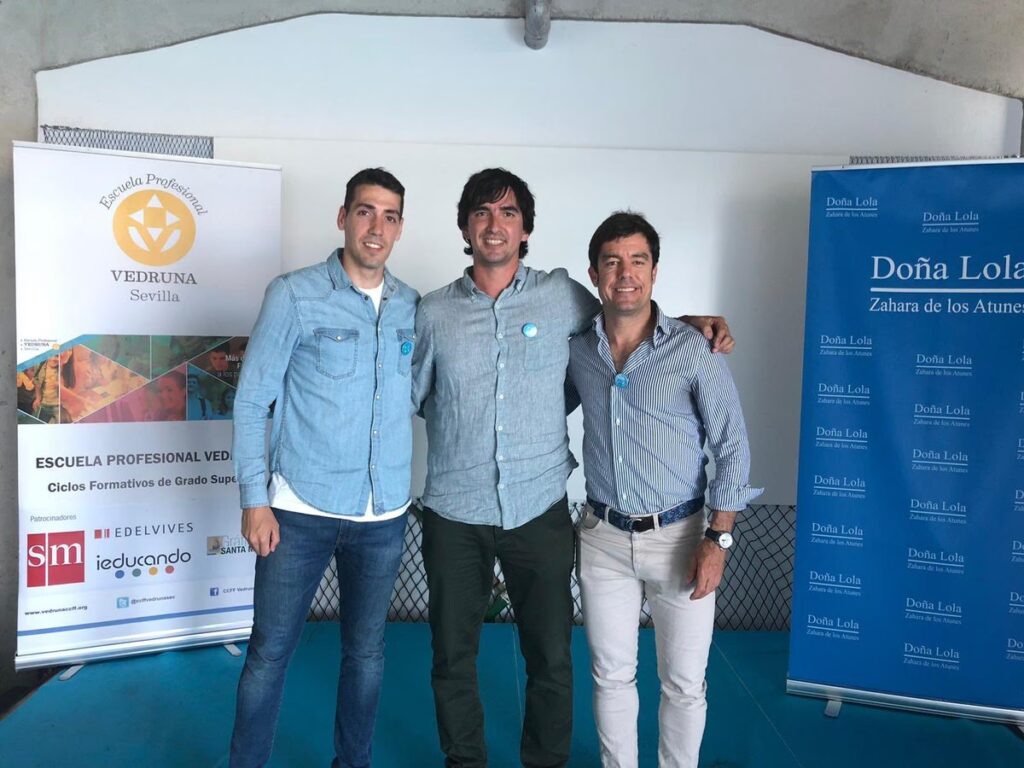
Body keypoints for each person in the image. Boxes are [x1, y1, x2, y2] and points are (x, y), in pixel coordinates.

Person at [411, 169, 733, 768]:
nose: (495, 225)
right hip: (454, 512)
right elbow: (412, 396)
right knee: (451, 658)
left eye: (509, 213)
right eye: (482, 212)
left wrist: (692, 325)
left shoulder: (561, 297)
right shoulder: (431, 313)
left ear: (526, 229)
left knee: (552, 659)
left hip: (539, 510)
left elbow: (628, 310)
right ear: (465, 227)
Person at [229, 168, 418, 768]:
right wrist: (254, 499)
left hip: (382, 514)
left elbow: (425, 393)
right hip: (297, 511)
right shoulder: (294, 294)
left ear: (400, 228)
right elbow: (252, 399)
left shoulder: (413, 306)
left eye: (389, 216)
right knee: (269, 654)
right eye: (365, 211)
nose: (376, 227)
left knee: (367, 655)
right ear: (343, 218)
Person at [567, 212, 761, 768]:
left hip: (681, 537)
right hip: (602, 538)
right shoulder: (577, 350)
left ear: (654, 271)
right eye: (612, 262)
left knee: (683, 683)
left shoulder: (695, 348)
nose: (625, 273)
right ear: (594, 273)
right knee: (610, 676)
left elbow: (732, 445)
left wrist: (718, 540)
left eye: (638, 261)